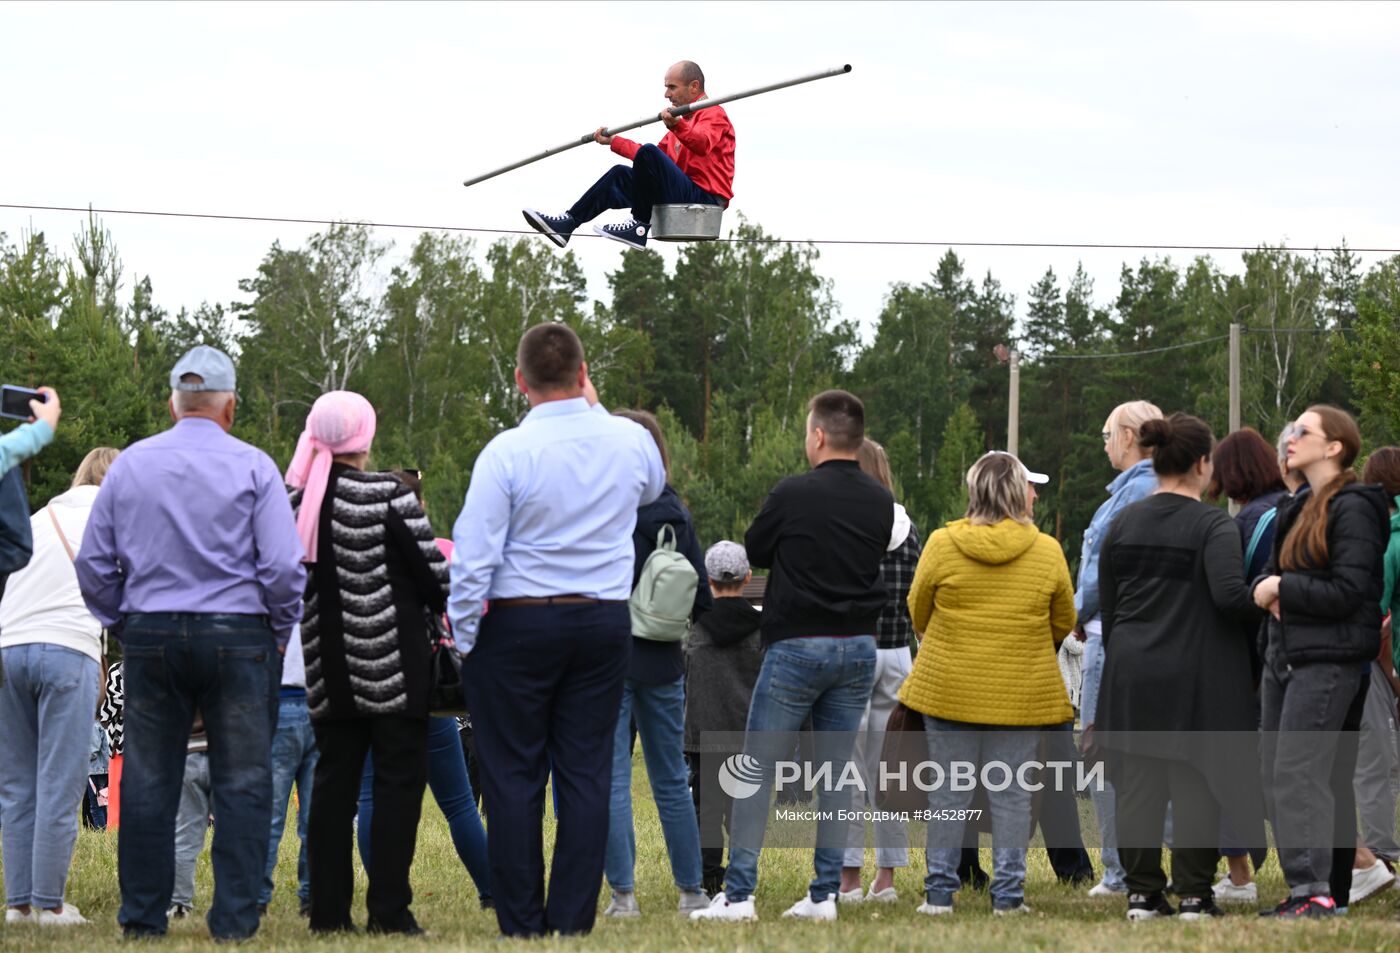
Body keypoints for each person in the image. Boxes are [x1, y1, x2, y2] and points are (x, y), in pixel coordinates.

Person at [75, 346, 305, 941]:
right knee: (244, 780)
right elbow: (282, 569)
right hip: (239, 634)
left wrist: (127, 625)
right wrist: (274, 634)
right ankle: (233, 919)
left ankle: (145, 919)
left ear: (172, 406)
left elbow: (95, 564)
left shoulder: (130, 467)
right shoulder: (256, 467)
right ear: (230, 407)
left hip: (153, 631)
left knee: (150, 779)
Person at [449, 322, 665, 938]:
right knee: (588, 771)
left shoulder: (506, 453)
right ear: (583, 372)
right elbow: (654, 485)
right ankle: (571, 920)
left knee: (513, 774)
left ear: (518, 382)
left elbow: (474, 556)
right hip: (600, 620)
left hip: (517, 622)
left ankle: (520, 921)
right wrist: (594, 404)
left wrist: (463, 638)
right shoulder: (627, 442)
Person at [691, 389, 891, 923]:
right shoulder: (879, 502)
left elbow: (756, 550)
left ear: (819, 435)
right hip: (857, 646)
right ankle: (825, 894)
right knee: (834, 774)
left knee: (756, 768)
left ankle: (738, 895)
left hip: (798, 643)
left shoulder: (793, 492)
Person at [286, 391, 448, 936]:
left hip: (327, 670)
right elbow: (435, 579)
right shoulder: (388, 495)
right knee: (399, 790)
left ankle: (329, 916)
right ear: (365, 437)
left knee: (333, 789)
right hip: (396, 671)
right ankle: (389, 912)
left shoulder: (295, 502)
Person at [1093, 414, 1264, 921]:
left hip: (1131, 673)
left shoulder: (1123, 522)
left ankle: (1142, 895)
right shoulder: (1213, 524)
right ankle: (1194, 894)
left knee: (1139, 787)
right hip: (1196, 678)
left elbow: (1111, 605)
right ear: (1202, 464)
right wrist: (1269, 591)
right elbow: (1231, 599)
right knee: (1194, 783)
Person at [898, 451, 1076, 917]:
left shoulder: (941, 543)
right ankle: (1009, 897)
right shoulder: (1046, 550)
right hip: (1019, 692)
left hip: (949, 687)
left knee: (948, 792)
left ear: (974, 490)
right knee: (1014, 794)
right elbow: (1064, 619)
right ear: (1020, 493)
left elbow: (917, 609)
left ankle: (939, 894)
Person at [1252, 405, 1389, 918]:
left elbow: (1353, 590)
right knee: (1273, 775)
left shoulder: (1353, 507)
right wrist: (1268, 589)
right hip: (1282, 655)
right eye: (1289, 430)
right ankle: (1305, 890)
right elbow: (1259, 580)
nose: (1290, 438)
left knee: (1300, 773)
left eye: (1302, 432)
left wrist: (1283, 587)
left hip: (1327, 659)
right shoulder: (1296, 505)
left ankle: (1315, 892)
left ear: (1334, 447)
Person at [355, 470, 492, 913]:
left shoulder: (360, 552)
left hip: (371, 684)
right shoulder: (444, 551)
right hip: (427, 687)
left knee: (371, 796)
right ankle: (492, 891)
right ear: (421, 505)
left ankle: (384, 894)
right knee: (458, 804)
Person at [602, 410, 712, 918]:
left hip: (608, 656)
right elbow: (703, 599)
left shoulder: (605, 505)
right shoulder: (676, 511)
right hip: (664, 659)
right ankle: (692, 892)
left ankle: (623, 897)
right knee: (671, 779)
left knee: (613, 778)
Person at [0, 442, 111, 929]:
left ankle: (18, 904)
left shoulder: (43, 517)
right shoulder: (115, 517)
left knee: (17, 785)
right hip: (67, 649)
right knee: (59, 782)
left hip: (9, 646)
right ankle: (49, 904)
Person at [1075, 399, 1162, 898]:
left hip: (1113, 637)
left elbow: (1101, 570)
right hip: (1142, 636)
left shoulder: (1134, 494)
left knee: (1102, 754)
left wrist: (1074, 612)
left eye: (1108, 434)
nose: (1105, 443)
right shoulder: (1158, 487)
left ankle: (1119, 871)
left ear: (1129, 436)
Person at [523, 60, 735, 251]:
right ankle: (568, 223)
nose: (666, 95)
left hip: (704, 199)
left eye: (672, 87)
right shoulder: (681, 122)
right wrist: (614, 141)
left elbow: (703, 144)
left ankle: (639, 227)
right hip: (682, 193)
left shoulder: (713, 113)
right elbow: (651, 161)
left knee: (649, 152)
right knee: (620, 175)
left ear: (694, 86)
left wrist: (677, 127)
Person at [1206, 426, 1289, 903]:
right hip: (1292, 655)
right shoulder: (1293, 508)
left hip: (1252, 663)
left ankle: (1240, 875)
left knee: (1234, 768)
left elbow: (1234, 596)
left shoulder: (1248, 522)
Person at [839, 438, 919, 904]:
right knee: (890, 770)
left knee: (847, 768)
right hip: (899, 654)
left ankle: (848, 877)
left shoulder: (848, 525)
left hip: (854, 649)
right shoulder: (910, 529)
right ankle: (886, 877)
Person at [684, 541, 763, 898]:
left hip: (704, 731)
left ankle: (708, 875)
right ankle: (742, 873)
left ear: (708, 579)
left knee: (707, 808)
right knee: (744, 807)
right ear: (747, 577)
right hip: (747, 730)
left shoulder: (696, 627)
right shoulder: (762, 628)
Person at [1349, 447, 1400, 902]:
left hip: (1381, 665)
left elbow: (1378, 620)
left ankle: (1381, 855)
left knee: (1375, 762)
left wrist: (1388, 670)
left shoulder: (1384, 540)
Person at [260, 623, 317, 918]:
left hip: (280, 699)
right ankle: (311, 897)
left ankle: (258, 897)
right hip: (322, 700)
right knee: (314, 817)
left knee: (269, 814)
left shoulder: (275, 582)